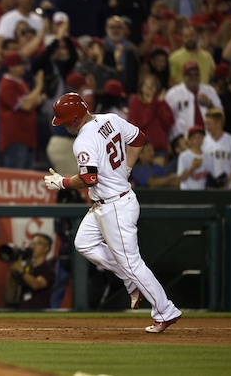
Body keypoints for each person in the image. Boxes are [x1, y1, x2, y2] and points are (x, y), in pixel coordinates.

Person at [44, 93, 182, 333]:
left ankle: (165, 310)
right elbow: (139, 138)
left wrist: (62, 182)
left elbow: (89, 178)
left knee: (132, 263)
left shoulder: (83, 140)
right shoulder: (112, 119)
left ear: (76, 117)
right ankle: (131, 282)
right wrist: (127, 167)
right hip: (106, 203)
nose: (64, 125)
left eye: (65, 121)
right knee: (84, 243)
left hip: (115, 206)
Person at [10, 233, 56, 309]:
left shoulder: (48, 269)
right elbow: (11, 288)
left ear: (46, 248)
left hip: (40, 312)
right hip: (22, 309)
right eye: (32, 243)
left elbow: (36, 285)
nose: (33, 246)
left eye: (38, 243)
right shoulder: (27, 266)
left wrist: (21, 271)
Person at [202, 108, 231, 190]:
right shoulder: (204, 141)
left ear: (218, 123)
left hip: (229, 187)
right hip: (210, 186)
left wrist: (228, 180)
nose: (207, 127)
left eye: (209, 124)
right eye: (206, 124)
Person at [177, 125, 211, 190]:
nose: (198, 140)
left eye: (200, 137)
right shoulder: (183, 156)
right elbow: (180, 179)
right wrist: (193, 167)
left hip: (202, 194)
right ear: (189, 140)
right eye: (194, 137)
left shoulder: (208, 156)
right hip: (187, 194)